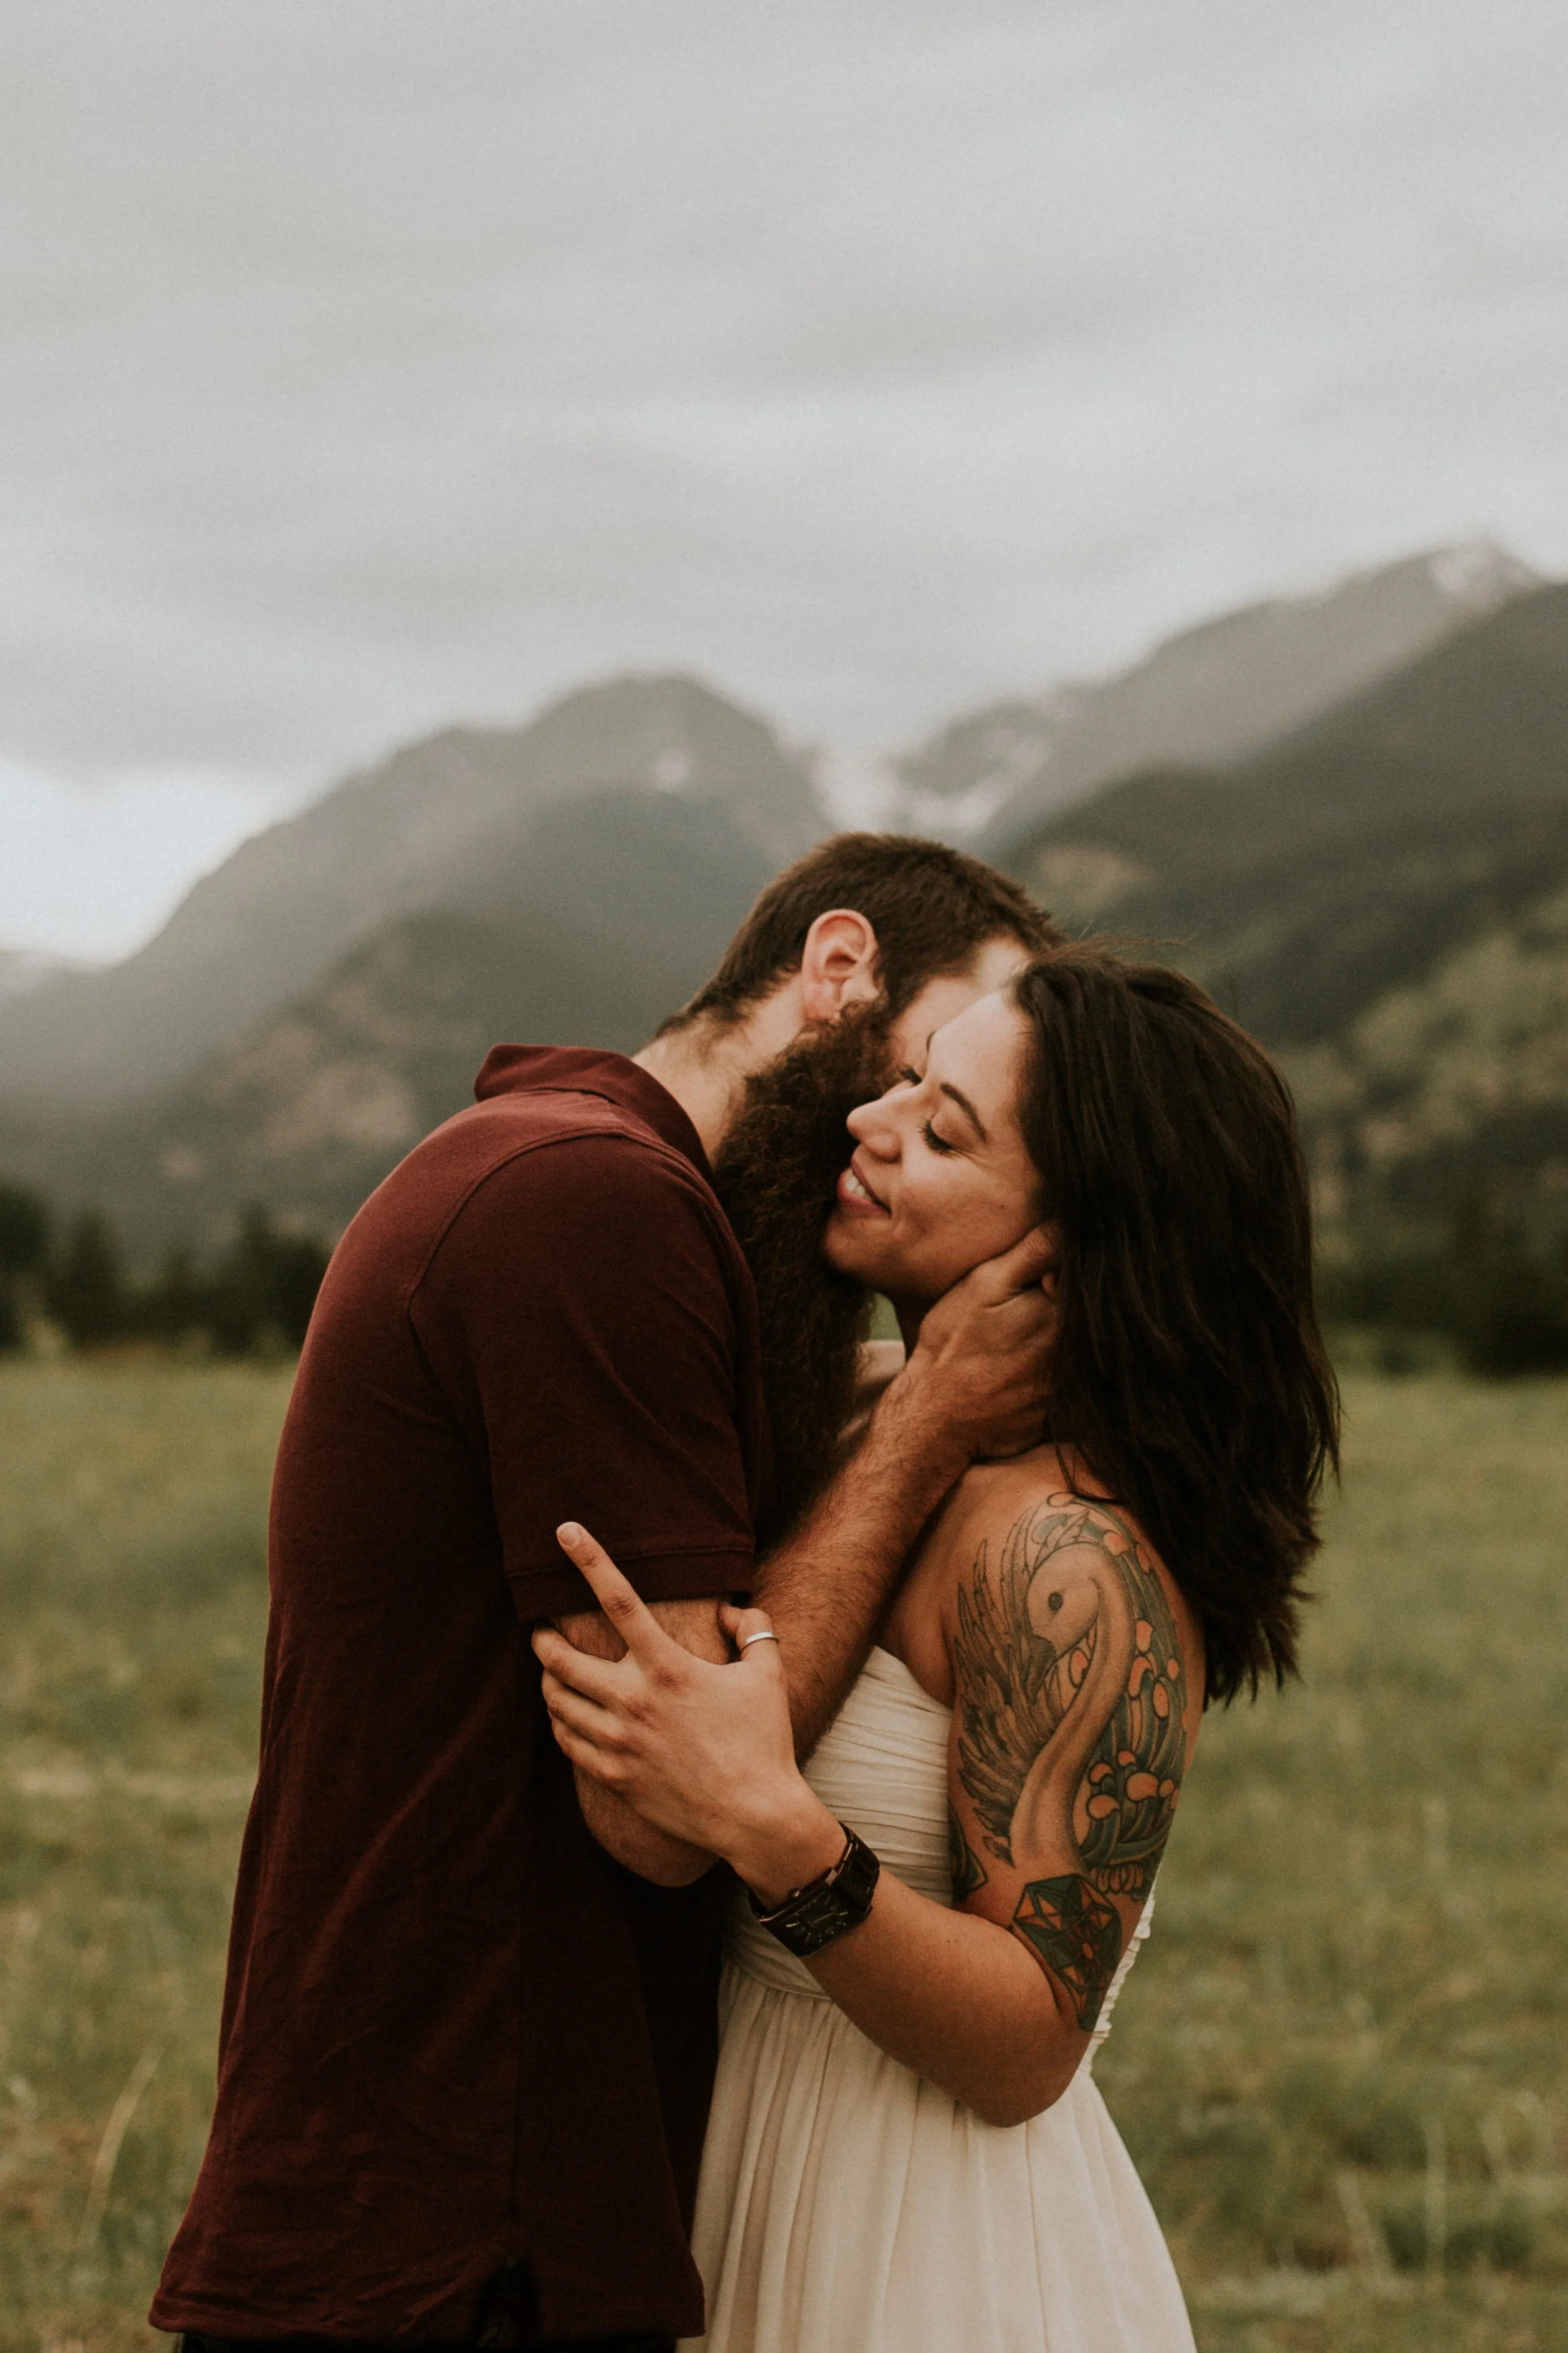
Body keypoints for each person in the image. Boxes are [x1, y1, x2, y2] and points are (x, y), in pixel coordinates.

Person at [151, 834, 1063, 2353]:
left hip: (438, 2185)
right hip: (459, 2217)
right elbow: (660, 1806)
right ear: (833, 969)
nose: (897, 1133)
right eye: (917, 1073)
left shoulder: (568, 1169)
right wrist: (923, 1422)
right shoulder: (599, 1207)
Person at [534, 943, 1341, 2353]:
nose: (872, 1120)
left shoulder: (1072, 1558)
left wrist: (784, 1835)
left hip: (927, 2237)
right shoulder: (861, 1412)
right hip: (745, 2156)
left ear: (1075, 1243)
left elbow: (1032, 2037)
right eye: (911, 1077)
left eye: (942, 1125)